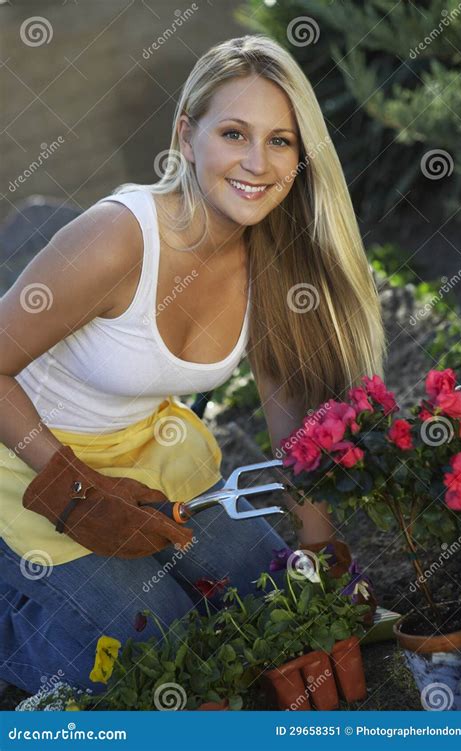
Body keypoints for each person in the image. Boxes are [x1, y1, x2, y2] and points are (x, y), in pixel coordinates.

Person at [0, 34, 385, 697]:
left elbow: (286, 402)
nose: (257, 163)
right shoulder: (116, 238)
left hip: (148, 457)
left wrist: (318, 549)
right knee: (153, 635)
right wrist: (74, 485)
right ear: (186, 135)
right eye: (234, 133)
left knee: (269, 595)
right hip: (23, 462)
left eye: (281, 141)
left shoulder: (270, 252)